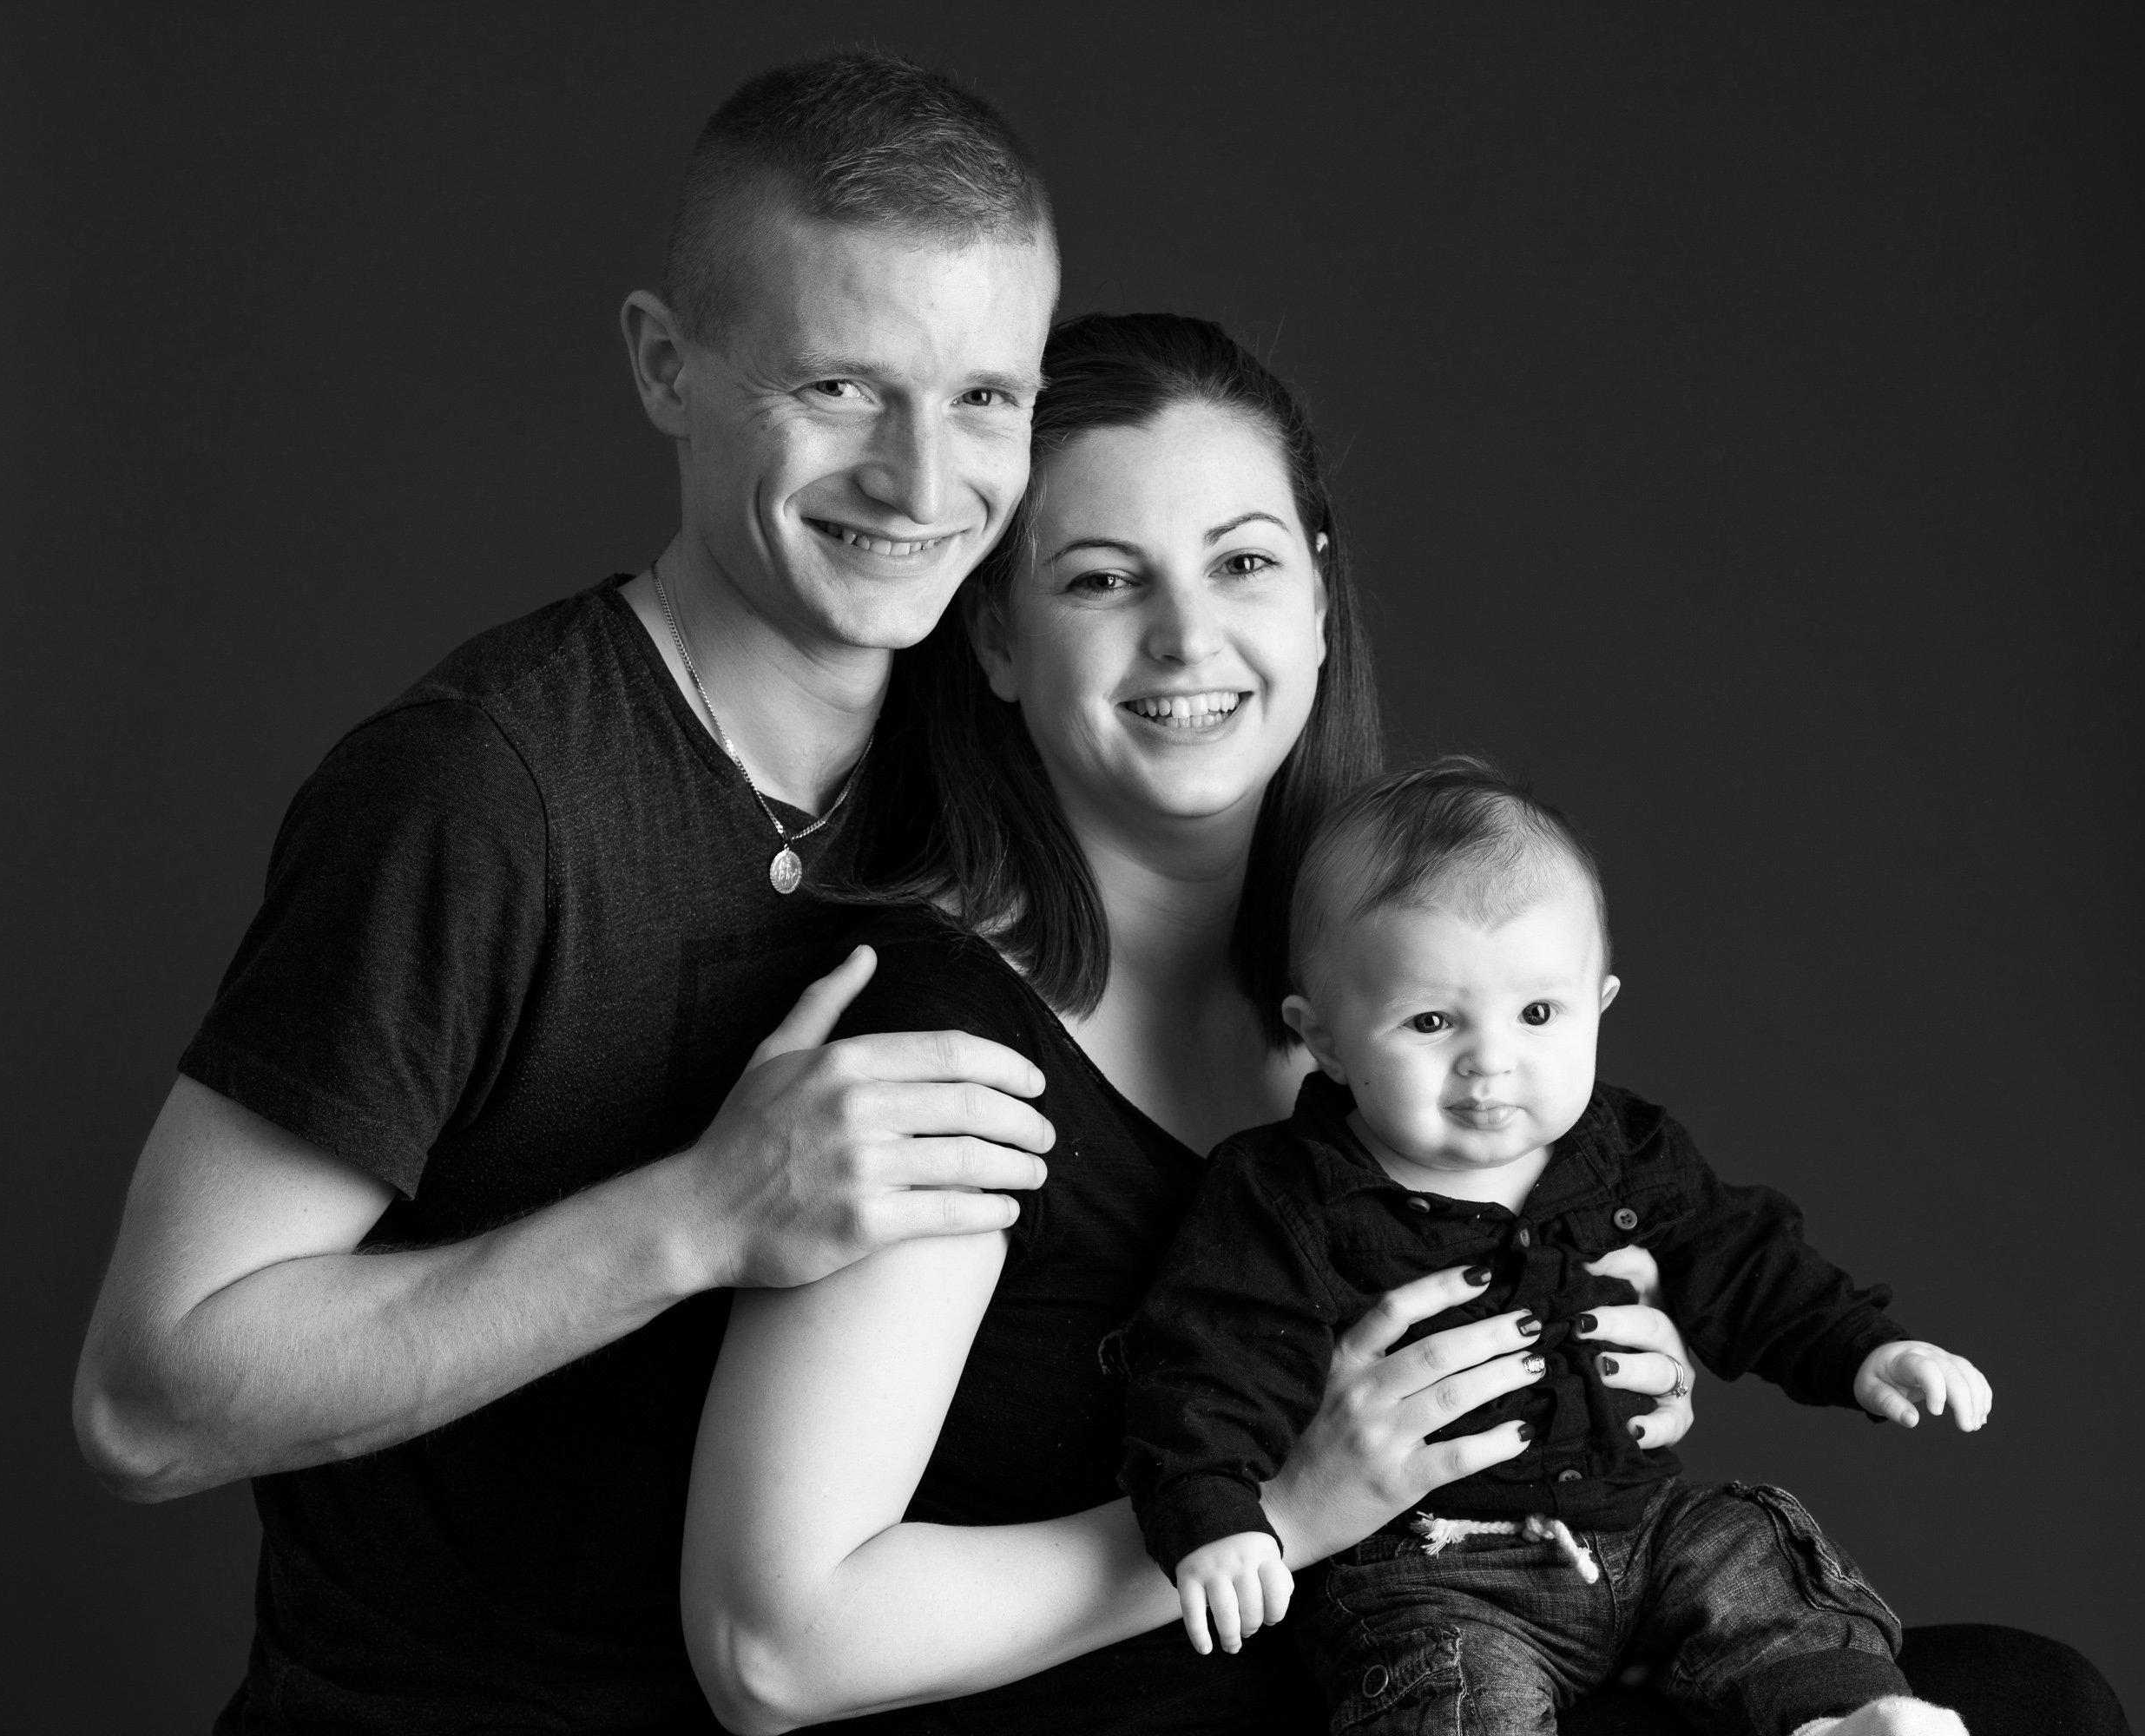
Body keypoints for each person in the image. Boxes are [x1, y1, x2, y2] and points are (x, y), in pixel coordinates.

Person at [683, 313, 2129, 1736]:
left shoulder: (1397, 960)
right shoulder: (945, 1042)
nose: (1189, 634)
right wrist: (1302, 1504)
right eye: (1102, 579)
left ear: (1318, 596)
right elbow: (773, 1651)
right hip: (1182, 1708)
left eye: (1243, 561)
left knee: (2024, 1695)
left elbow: (1639, 1263)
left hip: (1471, 1651)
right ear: (996, 639)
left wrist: (1598, 1378)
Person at [71, 54, 1065, 1732]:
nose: (920, 480)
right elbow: (143, 1406)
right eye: (839, 386)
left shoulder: (1004, 763)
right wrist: (697, 1218)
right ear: (667, 365)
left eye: (987, 398)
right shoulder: (479, 789)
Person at [1121, 757, 1991, 1735]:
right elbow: (1209, 1360)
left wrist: (1866, 1348)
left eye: (1537, 1013)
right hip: (1432, 1566)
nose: (1490, 1061)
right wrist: (1219, 1515)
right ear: (1322, 1036)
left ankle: (1837, 1718)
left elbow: (1743, 1260)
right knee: (1444, 1680)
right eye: (1431, 1020)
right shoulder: (1288, 1190)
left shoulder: (1626, 1148)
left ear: (1600, 1003)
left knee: (1746, 1542)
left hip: (1639, 1533)